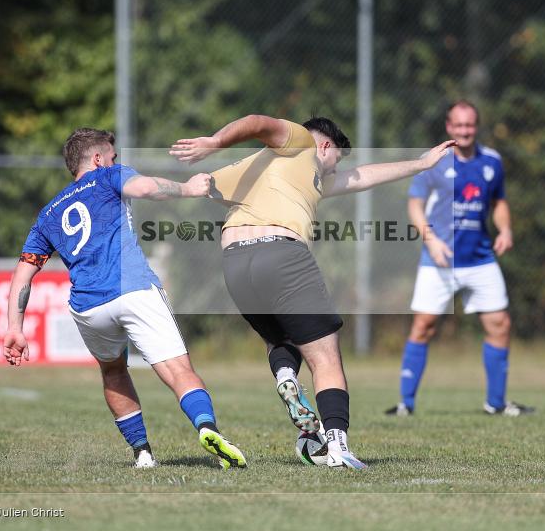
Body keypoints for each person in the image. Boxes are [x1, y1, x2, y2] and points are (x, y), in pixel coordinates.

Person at [170, 114, 454, 469]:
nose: (336, 170)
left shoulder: (255, 169)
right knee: (325, 358)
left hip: (234, 263)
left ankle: (286, 375)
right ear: (325, 146)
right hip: (280, 253)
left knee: (283, 339)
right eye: (336, 160)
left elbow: (363, 177)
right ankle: (337, 445)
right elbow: (258, 122)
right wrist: (214, 140)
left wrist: (421, 163)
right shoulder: (302, 141)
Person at [3, 128, 247, 470]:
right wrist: (189, 188)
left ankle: (143, 453)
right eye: (113, 157)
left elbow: (23, 273)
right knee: (178, 370)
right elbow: (146, 188)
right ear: (99, 159)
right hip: (132, 289)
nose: (117, 162)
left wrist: (15, 327)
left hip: (89, 306)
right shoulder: (108, 176)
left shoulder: (48, 213)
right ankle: (207, 427)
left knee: (113, 371)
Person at [385, 100, 533, 418]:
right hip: (439, 260)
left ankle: (495, 403)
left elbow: (500, 203)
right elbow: (414, 206)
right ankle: (405, 405)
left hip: (480, 259)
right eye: (459, 125)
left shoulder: (492, 161)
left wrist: (505, 229)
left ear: (476, 127)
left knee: (500, 324)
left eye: (470, 125)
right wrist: (431, 240)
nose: (465, 131)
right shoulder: (434, 161)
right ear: (449, 127)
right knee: (423, 326)